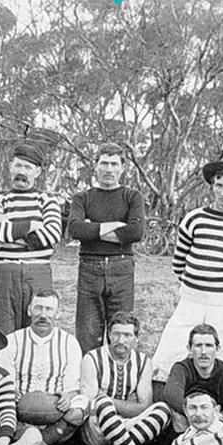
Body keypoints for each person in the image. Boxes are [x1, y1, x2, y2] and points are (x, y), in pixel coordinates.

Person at [151, 156, 223, 380]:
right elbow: (178, 263)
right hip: (191, 299)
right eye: (219, 186)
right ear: (212, 186)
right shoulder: (194, 219)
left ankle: (215, 400)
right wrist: (197, 283)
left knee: (220, 354)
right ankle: (164, 392)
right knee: (172, 348)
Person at [67, 142, 146, 353]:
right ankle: (88, 381)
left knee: (121, 332)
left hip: (122, 268)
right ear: (96, 166)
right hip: (89, 268)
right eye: (104, 163)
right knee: (87, 334)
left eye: (114, 164)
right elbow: (75, 229)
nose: (109, 169)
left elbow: (136, 232)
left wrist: (92, 228)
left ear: (122, 167)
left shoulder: (132, 196)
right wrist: (116, 228)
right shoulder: (82, 197)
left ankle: (117, 380)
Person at [0, 290, 86, 445]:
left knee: (79, 410)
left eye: (49, 309)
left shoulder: (69, 342)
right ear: (29, 310)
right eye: (38, 308)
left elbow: (73, 384)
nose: (43, 314)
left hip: (54, 410)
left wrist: (68, 396)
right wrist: (9, 391)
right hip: (19, 409)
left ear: (57, 313)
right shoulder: (12, 340)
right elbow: (2, 378)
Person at [80, 311, 171, 445]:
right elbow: (90, 403)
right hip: (97, 428)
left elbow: (145, 406)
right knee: (102, 403)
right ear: (109, 334)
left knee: (163, 410)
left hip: (129, 426)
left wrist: (106, 397)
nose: (121, 340)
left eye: (127, 335)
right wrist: (122, 404)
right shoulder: (92, 358)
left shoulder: (143, 361)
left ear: (136, 338)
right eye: (116, 334)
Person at [0, 143, 64, 334]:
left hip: (38, 272)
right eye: (18, 166)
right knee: (4, 329)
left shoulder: (47, 201)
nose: (22, 172)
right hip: (5, 273)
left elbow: (52, 234)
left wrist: (11, 228)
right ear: (10, 167)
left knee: (38, 327)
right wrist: (32, 227)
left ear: (37, 172)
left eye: (27, 167)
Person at [163, 323, 223, 433]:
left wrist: (217, 417)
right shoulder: (181, 368)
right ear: (189, 349)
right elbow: (172, 394)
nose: (204, 352)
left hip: (217, 425)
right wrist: (196, 415)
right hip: (186, 424)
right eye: (198, 346)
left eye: (209, 346)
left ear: (217, 348)